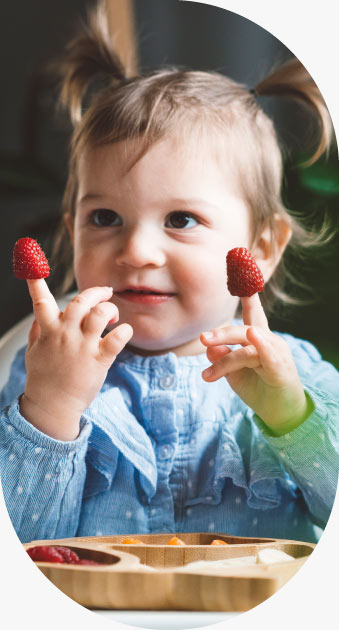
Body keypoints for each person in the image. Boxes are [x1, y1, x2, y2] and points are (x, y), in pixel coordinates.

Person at [0, 2, 338, 545]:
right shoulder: (44, 370)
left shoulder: (297, 376)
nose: (136, 251)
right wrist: (50, 412)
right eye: (105, 218)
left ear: (264, 245)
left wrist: (292, 417)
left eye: (181, 220)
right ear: (72, 228)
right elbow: (22, 550)